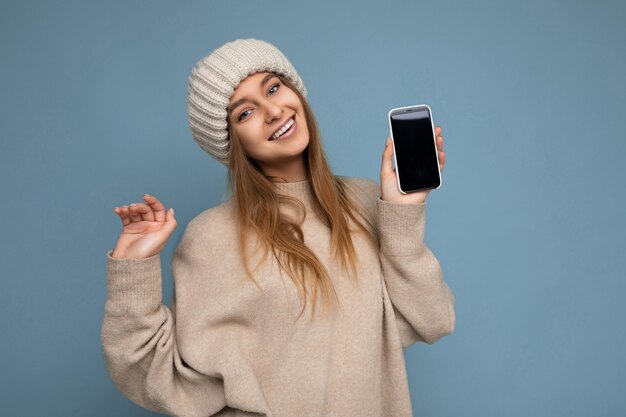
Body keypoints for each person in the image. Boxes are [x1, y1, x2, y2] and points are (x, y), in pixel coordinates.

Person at [100, 38, 455, 417]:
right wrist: (133, 270)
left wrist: (401, 216)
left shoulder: (366, 202)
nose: (272, 111)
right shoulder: (212, 237)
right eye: (245, 113)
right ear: (231, 141)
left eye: (273, 87)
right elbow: (161, 378)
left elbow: (431, 321)